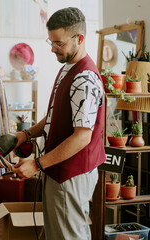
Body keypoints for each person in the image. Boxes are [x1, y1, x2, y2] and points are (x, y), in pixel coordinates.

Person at [12, 7, 106, 240]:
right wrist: (25, 136)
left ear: (80, 38)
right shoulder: (68, 69)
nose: (53, 48)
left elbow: (82, 136)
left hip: (71, 174)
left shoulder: (84, 78)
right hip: (58, 170)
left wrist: (36, 165)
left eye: (59, 43)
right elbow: (54, 116)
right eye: (51, 42)